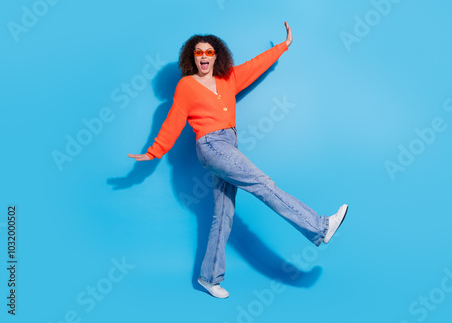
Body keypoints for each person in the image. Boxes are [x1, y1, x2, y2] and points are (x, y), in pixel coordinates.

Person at [128, 22, 348, 299]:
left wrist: (283, 45)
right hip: (211, 146)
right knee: (262, 184)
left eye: (209, 51)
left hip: (228, 145)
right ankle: (319, 227)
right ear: (192, 57)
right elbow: (173, 120)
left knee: (223, 215)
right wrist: (153, 152)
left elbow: (256, 65)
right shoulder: (186, 85)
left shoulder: (228, 78)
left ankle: (209, 278)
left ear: (216, 55)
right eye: (199, 52)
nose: (204, 56)